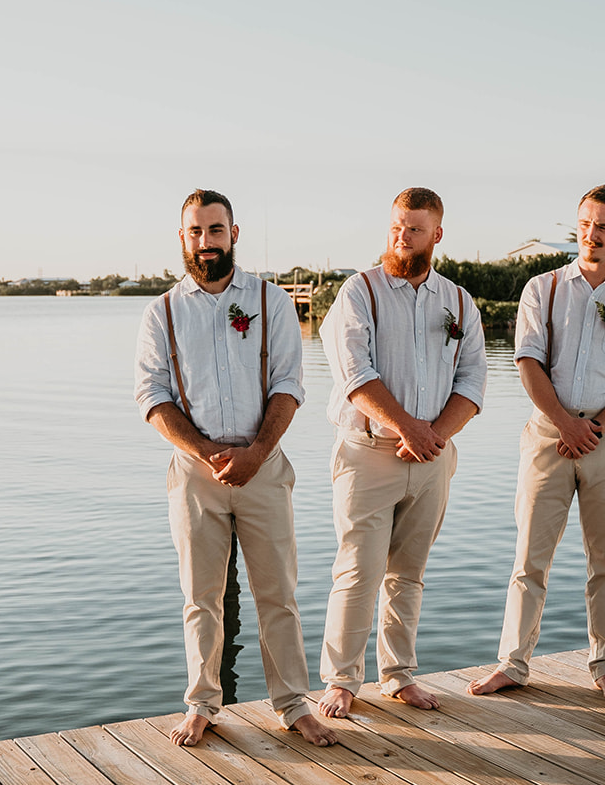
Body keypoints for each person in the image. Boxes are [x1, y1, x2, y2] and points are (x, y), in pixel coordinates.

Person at [134, 189, 337, 749]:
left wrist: (256, 453)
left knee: (278, 592)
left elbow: (289, 384)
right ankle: (202, 704)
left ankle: (294, 704)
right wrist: (205, 452)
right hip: (195, 474)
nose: (206, 242)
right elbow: (152, 396)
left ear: (234, 234)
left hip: (264, 465)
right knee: (201, 596)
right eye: (195, 232)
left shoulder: (271, 303)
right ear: (183, 238)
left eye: (215, 230)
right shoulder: (162, 313)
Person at [469, 183, 605, 704]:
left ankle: (604, 665)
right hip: (547, 438)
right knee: (530, 558)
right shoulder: (543, 287)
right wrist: (564, 422)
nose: (591, 235)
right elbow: (527, 361)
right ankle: (513, 663)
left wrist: (594, 429)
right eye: (584, 224)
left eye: (603, 226)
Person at [317, 187, 486, 719]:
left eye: (414, 229)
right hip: (368, 454)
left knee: (409, 572)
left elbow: (474, 381)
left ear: (436, 235)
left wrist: (432, 436)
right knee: (358, 571)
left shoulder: (458, 302)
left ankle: (398, 675)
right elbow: (354, 374)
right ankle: (342, 680)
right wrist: (408, 428)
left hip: (432, 458)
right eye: (396, 225)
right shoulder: (358, 293)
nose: (402, 236)